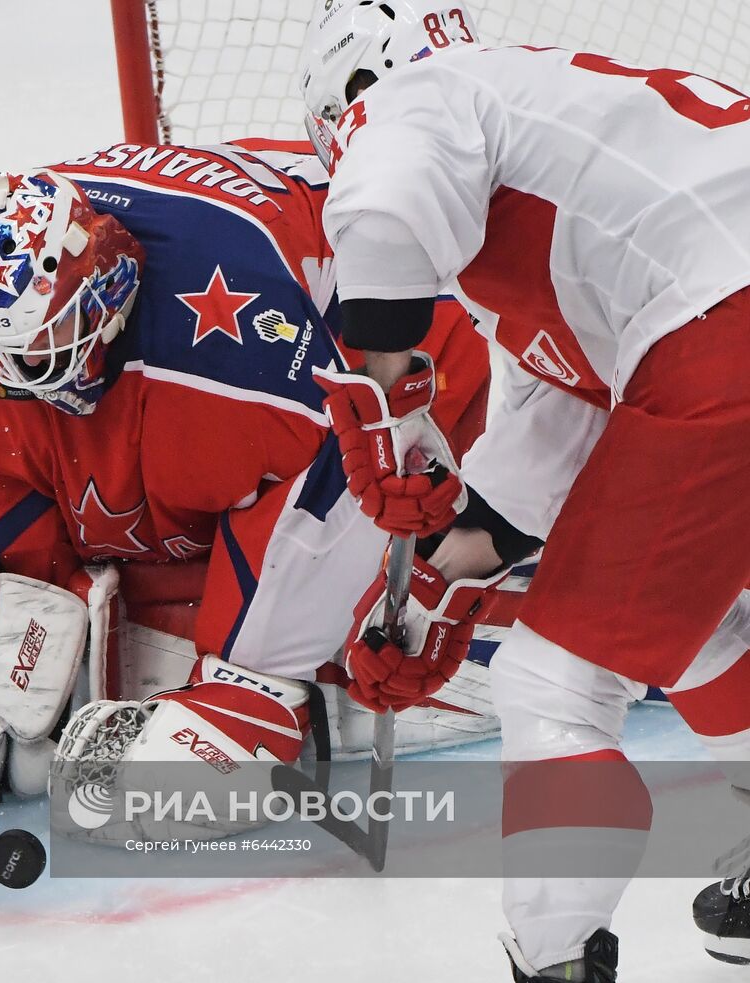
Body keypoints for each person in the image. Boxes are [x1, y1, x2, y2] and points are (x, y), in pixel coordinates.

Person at [0, 136, 497, 824]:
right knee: (2, 409)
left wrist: (256, 651)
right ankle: (32, 602)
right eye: (2, 355)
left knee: (358, 435)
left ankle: (257, 692)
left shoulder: (247, 352)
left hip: (369, 289)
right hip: (221, 230)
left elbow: (351, 440)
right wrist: (28, 582)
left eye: (42, 347)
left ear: (100, 288)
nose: (24, 377)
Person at [299, 1, 750, 978]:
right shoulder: (564, 151)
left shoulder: (420, 96)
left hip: (723, 324)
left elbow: (379, 215)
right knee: (695, 612)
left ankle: (551, 957)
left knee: (552, 683)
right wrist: (426, 608)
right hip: (709, 321)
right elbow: (554, 447)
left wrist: (391, 406)